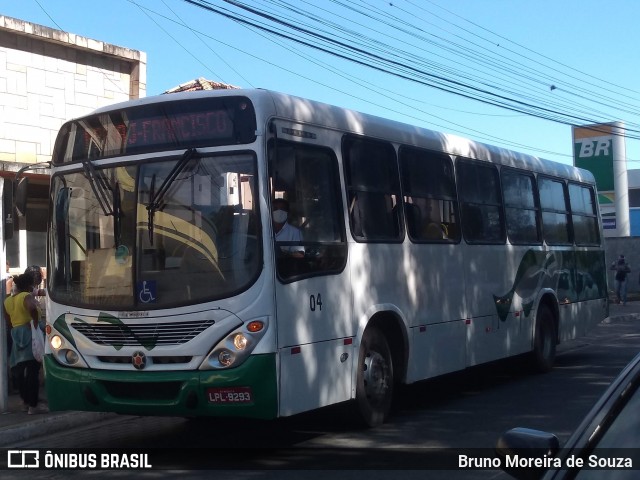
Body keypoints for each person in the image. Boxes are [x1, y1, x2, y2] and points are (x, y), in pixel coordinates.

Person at [3, 273, 48, 415]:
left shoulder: (8, 301)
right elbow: (32, 309)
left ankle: (25, 401)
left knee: (18, 369)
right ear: (29, 286)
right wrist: (34, 322)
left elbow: (8, 319)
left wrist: (16, 328)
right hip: (31, 333)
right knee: (33, 370)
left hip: (17, 334)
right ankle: (33, 405)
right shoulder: (26, 297)